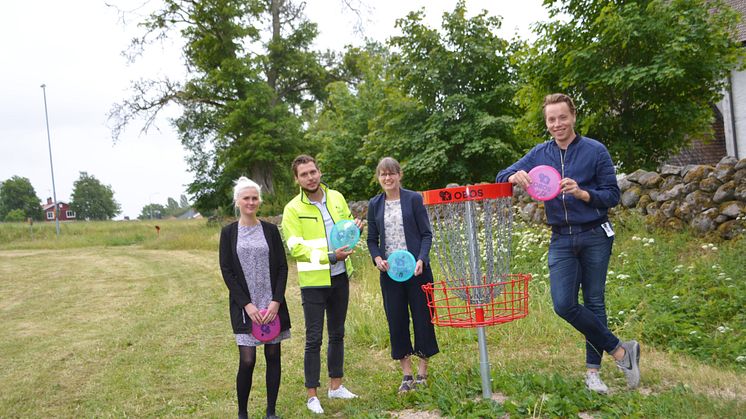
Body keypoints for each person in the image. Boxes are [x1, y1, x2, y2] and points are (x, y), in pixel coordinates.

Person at [495, 93, 640, 394]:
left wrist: (584, 194)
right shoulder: (539, 153)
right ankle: (621, 352)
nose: (557, 124)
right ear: (546, 123)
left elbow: (612, 195)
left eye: (562, 117)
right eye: (551, 119)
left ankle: (592, 373)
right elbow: (500, 177)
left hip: (595, 234)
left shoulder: (595, 151)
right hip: (561, 237)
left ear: (573, 116)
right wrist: (513, 175)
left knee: (594, 302)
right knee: (563, 304)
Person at [281, 155, 362, 414]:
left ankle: (336, 386)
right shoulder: (292, 209)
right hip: (314, 281)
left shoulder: (336, 197)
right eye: (304, 174)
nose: (310, 177)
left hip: (340, 276)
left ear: (320, 171)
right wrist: (329, 256)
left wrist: (355, 229)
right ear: (297, 179)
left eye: (313, 172)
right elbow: (296, 248)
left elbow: (346, 227)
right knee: (314, 338)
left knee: (337, 333)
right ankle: (312, 395)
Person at [219, 177, 291, 419]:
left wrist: (276, 301)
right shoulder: (228, 233)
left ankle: (271, 412)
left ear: (259, 200)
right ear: (237, 201)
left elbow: (282, 267)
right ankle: (243, 413)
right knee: (247, 360)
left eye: (254, 198)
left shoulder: (270, 230)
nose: (251, 202)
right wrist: (247, 305)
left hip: (271, 303)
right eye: (246, 198)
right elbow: (227, 271)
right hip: (245, 307)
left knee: (273, 355)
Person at [366, 157, 439, 393]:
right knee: (396, 321)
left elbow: (426, 234)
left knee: (422, 318)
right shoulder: (374, 205)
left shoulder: (414, 199)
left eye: (391, 173)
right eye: (383, 174)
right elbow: (371, 240)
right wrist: (377, 258)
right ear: (379, 178)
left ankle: (422, 373)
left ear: (399, 175)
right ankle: (406, 374)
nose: (387, 178)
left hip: (417, 272)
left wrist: (421, 259)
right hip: (391, 274)